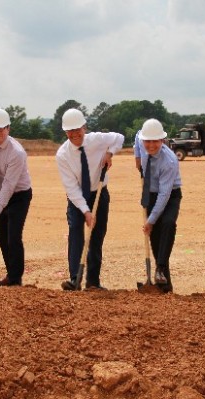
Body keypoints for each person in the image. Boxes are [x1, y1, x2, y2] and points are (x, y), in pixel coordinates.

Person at [56, 108, 124, 291]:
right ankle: (74, 278)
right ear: (65, 132)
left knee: (97, 236)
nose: (74, 134)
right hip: (77, 196)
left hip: (99, 192)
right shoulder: (62, 155)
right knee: (75, 231)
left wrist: (110, 153)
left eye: (77, 129)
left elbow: (119, 138)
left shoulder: (96, 139)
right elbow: (71, 188)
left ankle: (93, 282)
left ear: (84, 127)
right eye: (69, 131)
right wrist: (85, 211)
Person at [0, 108, 33, 286]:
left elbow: (9, 186)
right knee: (1, 235)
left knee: (13, 236)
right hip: (0, 191)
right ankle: (11, 274)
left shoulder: (16, 153)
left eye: (0, 129)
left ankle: (15, 279)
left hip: (19, 195)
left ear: (8, 129)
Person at [137, 118, 182, 293]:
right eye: (147, 141)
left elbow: (165, 195)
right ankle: (165, 285)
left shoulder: (169, 161)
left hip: (170, 195)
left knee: (168, 224)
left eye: (155, 141)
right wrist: (136, 156)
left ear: (162, 141)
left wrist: (151, 220)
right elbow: (136, 138)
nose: (151, 145)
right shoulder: (141, 144)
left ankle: (160, 269)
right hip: (150, 193)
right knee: (155, 240)